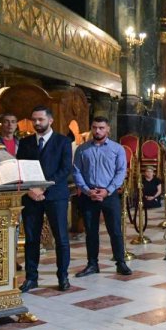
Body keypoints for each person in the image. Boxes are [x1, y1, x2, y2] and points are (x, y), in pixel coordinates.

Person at [17, 106, 73, 292]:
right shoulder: (25, 143)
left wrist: (43, 187)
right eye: (34, 119)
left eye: (40, 119)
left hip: (56, 195)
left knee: (61, 238)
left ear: (50, 120)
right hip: (31, 196)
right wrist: (29, 189)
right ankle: (31, 278)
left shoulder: (63, 141)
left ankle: (63, 276)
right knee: (32, 238)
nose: (36, 123)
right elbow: (20, 167)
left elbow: (65, 169)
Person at [71, 116, 131, 278]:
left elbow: (121, 171)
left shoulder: (117, 149)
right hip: (89, 195)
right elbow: (76, 171)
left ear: (107, 129)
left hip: (109, 195)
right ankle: (92, 264)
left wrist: (108, 190)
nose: (97, 131)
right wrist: (86, 190)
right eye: (95, 127)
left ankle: (120, 262)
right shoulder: (82, 149)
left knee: (115, 230)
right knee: (91, 231)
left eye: (101, 128)